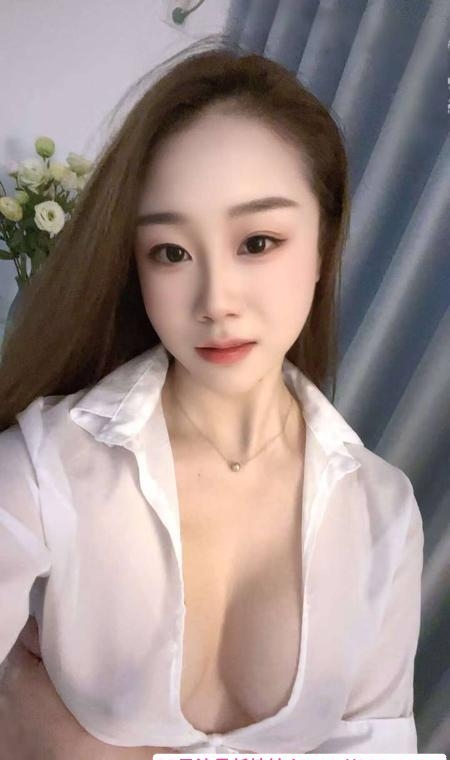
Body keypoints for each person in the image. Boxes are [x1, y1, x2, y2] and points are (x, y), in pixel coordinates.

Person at [0, 34, 424, 758]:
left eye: (257, 242)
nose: (215, 301)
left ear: (324, 244)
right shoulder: (44, 472)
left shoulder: (382, 512)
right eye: (171, 252)